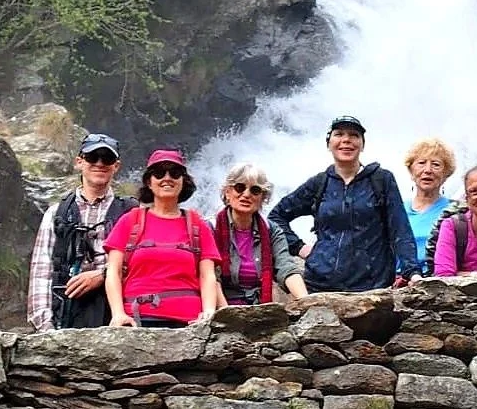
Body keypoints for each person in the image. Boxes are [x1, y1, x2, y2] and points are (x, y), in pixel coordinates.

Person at [268, 115, 422, 292]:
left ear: (362, 145)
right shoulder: (320, 183)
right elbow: (275, 217)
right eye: (339, 134)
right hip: (319, 284)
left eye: (354, 135)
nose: (346, 140)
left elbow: (400, 229)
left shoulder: (381, 180)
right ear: (329, 144)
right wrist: (300, 248)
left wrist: (412, 273)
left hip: (372, 286)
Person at [27, 132, 136, 330]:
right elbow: (41, 272)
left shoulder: (131, 212)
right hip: (66, 313)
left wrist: (102, 275)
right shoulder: (56, 214)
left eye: (107, 158)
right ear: (79, 162)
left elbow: (143, 264)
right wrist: (46, 328)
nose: (100, 163)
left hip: (119, 315)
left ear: (116, 166)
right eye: (93, 157)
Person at [104, 149, 221, 327]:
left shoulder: (198, 225)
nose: (167, 178)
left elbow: (208, 275)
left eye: (175, 173)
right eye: (159, 173)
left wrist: (209, 313)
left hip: (190, 322)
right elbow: (114, 271)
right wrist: (118, 314)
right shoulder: (130, 221)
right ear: (149, 182)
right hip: (137, 319)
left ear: (183, 181)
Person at [213, 163, 308, 306]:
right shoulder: (210, 228)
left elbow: (286, 267)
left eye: (255, 190)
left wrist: (306, 301)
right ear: (227, 192)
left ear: (263, 198)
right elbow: (210, 277)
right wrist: (227, 313)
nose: (246, 194)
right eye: (240, 187)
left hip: (260, 307)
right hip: (220, 305)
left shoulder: (272, 230)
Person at [403, 137, 457, 263]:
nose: (428, 170)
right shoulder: (397, 210)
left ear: (446, 174)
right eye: (421, 163)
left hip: (438, 273)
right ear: (411, 171)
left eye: (436, 164)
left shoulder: (455, 211)